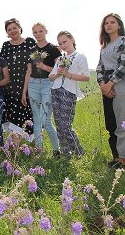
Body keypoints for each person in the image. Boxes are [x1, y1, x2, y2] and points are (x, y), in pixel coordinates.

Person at [22, 23, 61, 156]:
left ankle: (57, 150)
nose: (38, 34)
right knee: (36, 118)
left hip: (47, 84)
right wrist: (24, 92)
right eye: (35, 32)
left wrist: (44, 66)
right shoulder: (31, 50)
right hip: (33, 84)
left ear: (46, 31)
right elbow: (28, 71)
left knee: (46, 119)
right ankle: (39, 150)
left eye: (40, 31)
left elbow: (59, 70)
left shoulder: (53, 49)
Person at [49, 31, 90, 158]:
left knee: (66, 125)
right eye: (60, 44)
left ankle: (79, 153)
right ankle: (66, 154)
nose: (63, 45)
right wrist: (58, 73)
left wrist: (69, 75)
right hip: (55, 91)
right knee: (59, 125)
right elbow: (51, 76)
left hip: (69, 92)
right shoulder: (60, 58)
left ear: (72, 39)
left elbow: (87, 77)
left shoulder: (80, 56)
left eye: (64, 42)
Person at [96, 13, 125, 168]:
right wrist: (102, 84)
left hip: (120, 87)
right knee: (111, 124)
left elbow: (123, 65)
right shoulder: (104, 48)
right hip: (106, 88)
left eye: (112, 22)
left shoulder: (123, 42)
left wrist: (110, 84)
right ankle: (117, 157)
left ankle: (123, 158)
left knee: (122, 123)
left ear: (119, 25)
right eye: (106, 23)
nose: (108, 25)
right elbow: (99, 68)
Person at [0, 18, 36, 135]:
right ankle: (14, 145)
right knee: (12, 114)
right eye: (9, 29)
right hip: (10, 86)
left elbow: (38, 57)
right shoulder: (5, 45)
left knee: (26, 113)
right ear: (7, 32)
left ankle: (27, 144)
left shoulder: (30, 42)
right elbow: (0, 64)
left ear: (20, 28)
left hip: (26, 84)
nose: (12, 31)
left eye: (14, 28)